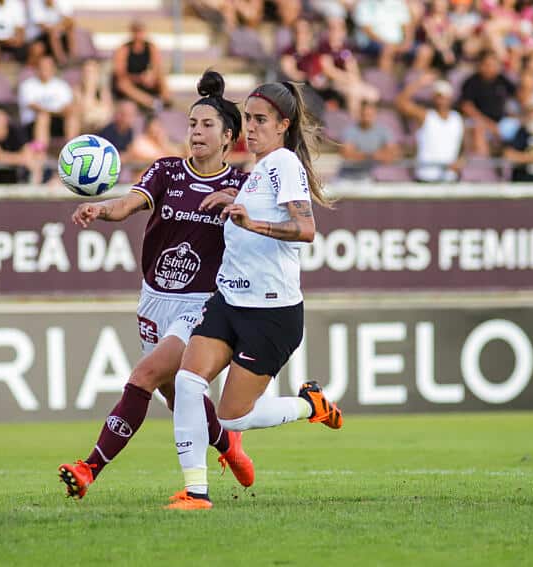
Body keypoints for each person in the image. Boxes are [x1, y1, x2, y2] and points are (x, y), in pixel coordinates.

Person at [58, 71, 253, 500]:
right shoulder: (166, 171)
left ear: (228, 137)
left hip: (202, 305)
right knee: (173, 394)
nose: (196, 132)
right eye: (191, 124)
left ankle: (89, 468)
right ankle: (227, 442)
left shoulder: (241, 185)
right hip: (153, 300)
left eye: (207, 126)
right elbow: (129, 204)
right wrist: (101, 210)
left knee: (145, 375)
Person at [167, 81, 342, 511]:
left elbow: (306, 231)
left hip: (270, 314)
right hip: (229, 300)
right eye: (247, 118)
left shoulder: (284, 163)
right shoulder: (261, 168)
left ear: (283, 125)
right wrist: (236, 197)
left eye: (260, 120)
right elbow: (260, 206)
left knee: (231, 417)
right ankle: (195, 491)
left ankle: (309, 405)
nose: (251, 127)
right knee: (188, 382)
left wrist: (252, 223)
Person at [395, 72, 464, 182]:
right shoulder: (426, 116)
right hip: (426, 177)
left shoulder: (457, 119)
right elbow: (400, 102)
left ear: (450, 98)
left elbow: (465, 149)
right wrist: (419, 83)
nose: (441, 100)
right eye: (438, 96)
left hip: (449, 178)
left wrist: (460, 161)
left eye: (444, 96)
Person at [18, 54, 79, 151]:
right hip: (33, 125)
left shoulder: (62, 85)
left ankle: (72, 150)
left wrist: (59, 112)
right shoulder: (27, 85)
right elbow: (34, 106)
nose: (45, 69)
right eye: (42, 67)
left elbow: (68, 106)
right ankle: (41, 152)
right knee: (43, 116)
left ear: (53, 69)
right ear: (37, 68)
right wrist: (56, 112)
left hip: (57, 121)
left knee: (72, 116)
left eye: (48, 67)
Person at [459, 50, 515, 155]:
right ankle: (484, 168)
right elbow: (467, 107)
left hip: (501, 122)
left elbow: (517, 95)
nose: (490, 68)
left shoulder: (501, 79)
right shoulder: (472, 82)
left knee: (519, 128)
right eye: (487, 65)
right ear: (480, 65)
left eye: (494, 65)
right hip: (479, 121)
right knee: (478, 129)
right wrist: (489, 124)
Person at [111, 20, 171, 112]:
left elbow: (157, 66)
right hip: (131, 82)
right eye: (136, 31)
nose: (139, 34)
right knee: (123, 84)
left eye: (140, 31)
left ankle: (165, 100)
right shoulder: (124, 49)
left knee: (161, 76)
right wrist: (138, 78)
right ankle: (150, 102)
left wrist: (151, 76)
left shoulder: (151, 47)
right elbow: (120, 73)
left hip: (146, 81)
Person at [338, 101, 400, 179]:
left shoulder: (384, 130)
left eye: (369, 115)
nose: (367, 117)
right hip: (348, 176)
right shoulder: (349, 130)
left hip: (372, 176)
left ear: (375, 115)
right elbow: (346, 154)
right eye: (364, 115)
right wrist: (372, 155)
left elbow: (392, 153)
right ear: (359, 115)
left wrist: (360, 155)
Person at [0, 105, 43, 184]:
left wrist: (0, 156)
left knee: (36, 165)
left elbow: (27, 157)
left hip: (13, 181)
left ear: (5, 118)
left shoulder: (16, 132)